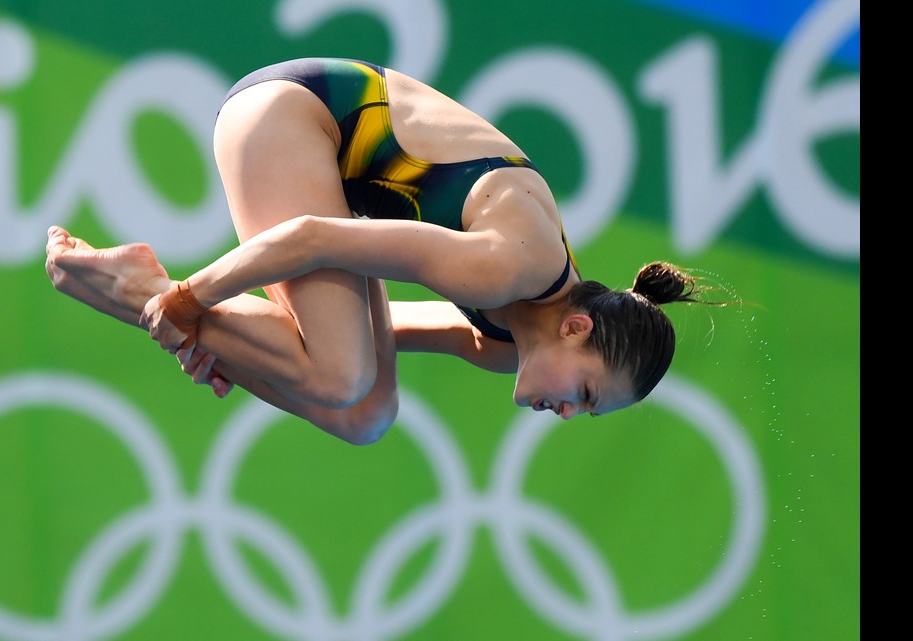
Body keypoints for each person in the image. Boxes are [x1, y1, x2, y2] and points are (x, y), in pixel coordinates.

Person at [45, 57, 712, 446]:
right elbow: (313, 240)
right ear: (577, 326)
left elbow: (361, 335)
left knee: (367, 414)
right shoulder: (511, 263)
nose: (568, 414)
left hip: (331, 176)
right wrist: (190, 301)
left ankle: (145, 292)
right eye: (586, 394)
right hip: (293, 115)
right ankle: (143, 289)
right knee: (340, 376)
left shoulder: (509, 342)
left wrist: (236, 345)